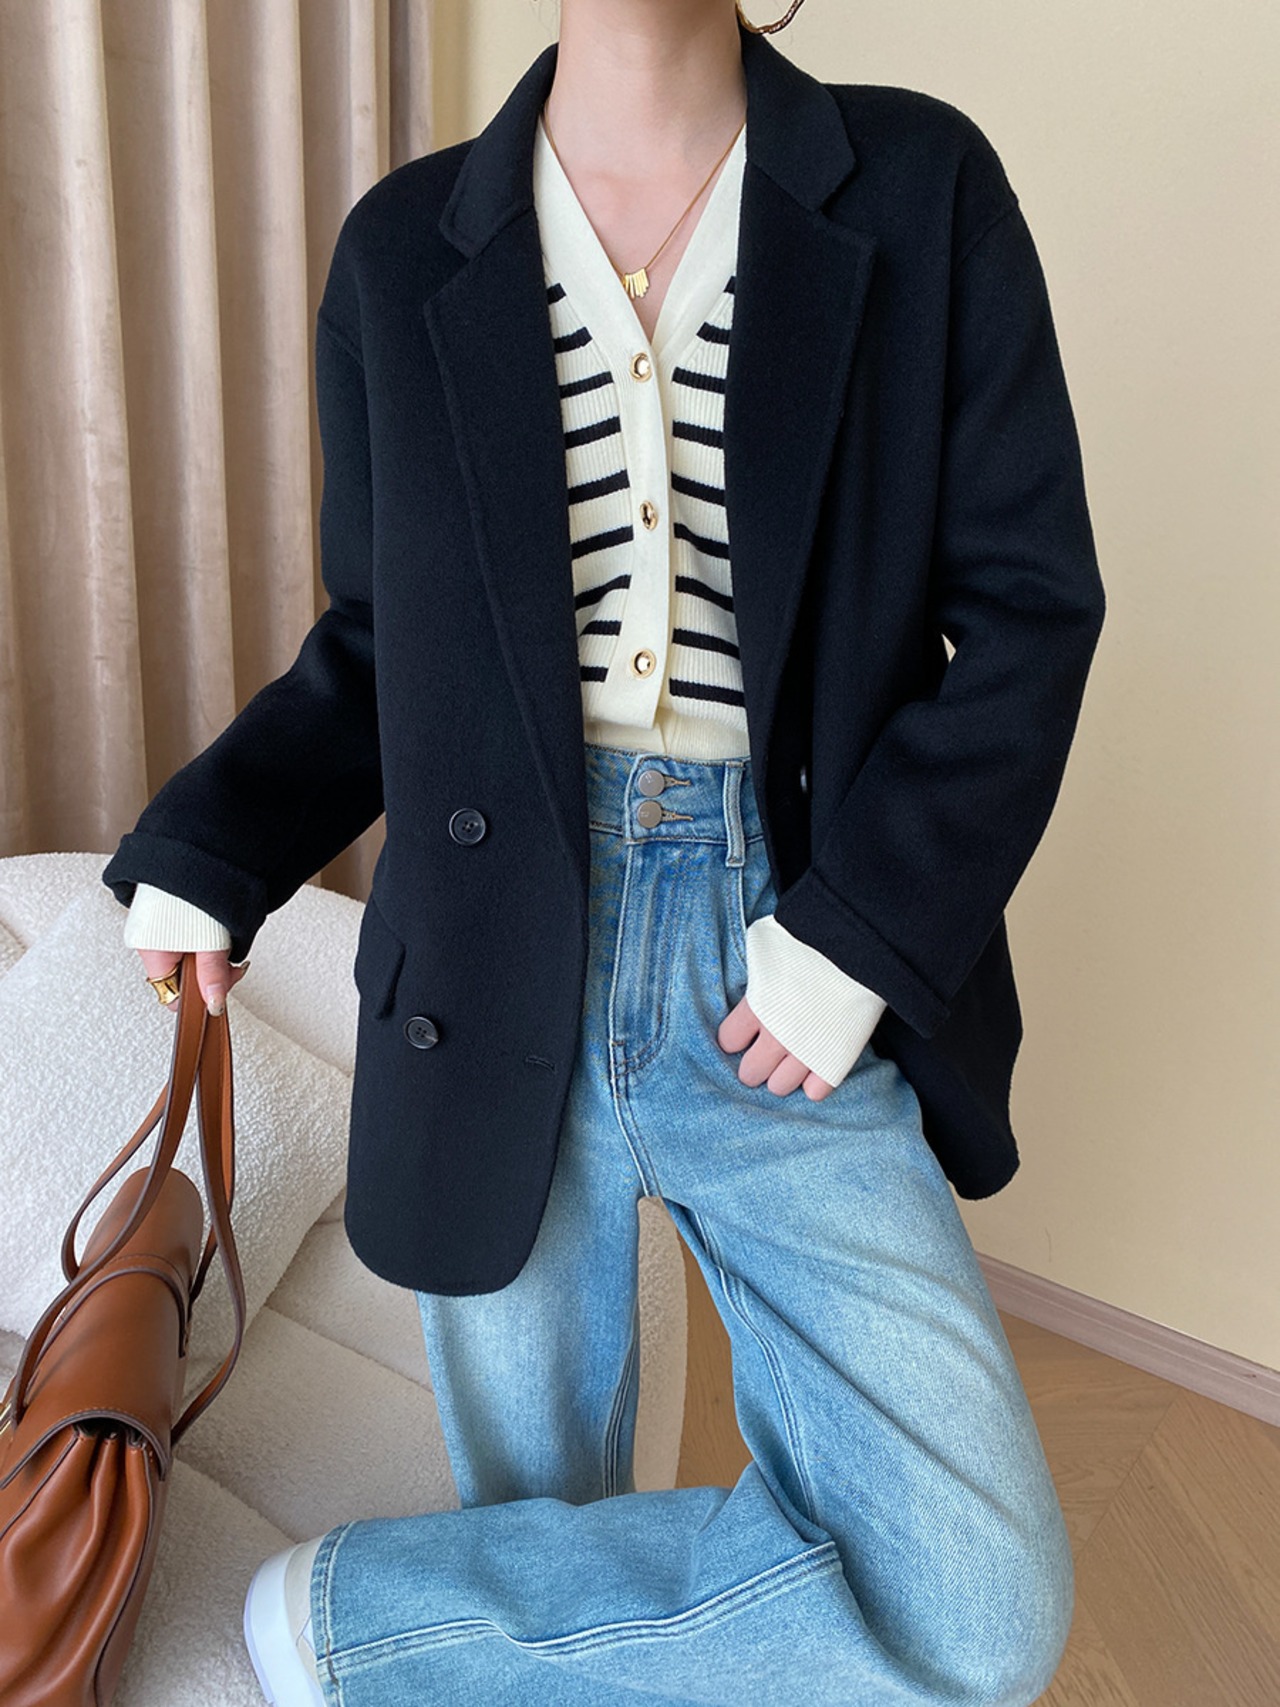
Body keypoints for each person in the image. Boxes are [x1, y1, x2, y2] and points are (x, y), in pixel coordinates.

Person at [104, 0, 1106, 1701]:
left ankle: (347, 1629)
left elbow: (1028, 611)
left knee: (981, 1600)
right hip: (490, 958)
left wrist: (862, 931)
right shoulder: (405, 248)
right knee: (542, 1542)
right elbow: (384, 644)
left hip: (790, 953)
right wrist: (217, 839)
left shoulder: (921, 186)